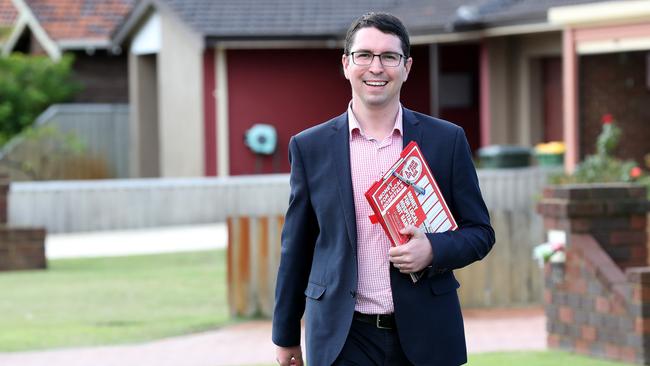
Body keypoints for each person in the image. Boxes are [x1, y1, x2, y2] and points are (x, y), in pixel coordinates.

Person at [272, 12, 495, 366]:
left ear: (406, 67)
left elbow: (481, 233)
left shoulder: (446, 141)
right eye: (364, 55)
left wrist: (432, 250)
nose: (376, 67)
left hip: (428, 334)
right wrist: (285, 336)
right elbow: (296, 247)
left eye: (389, 57)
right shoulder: (310, 147)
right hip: (343, 338)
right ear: (346, 64)